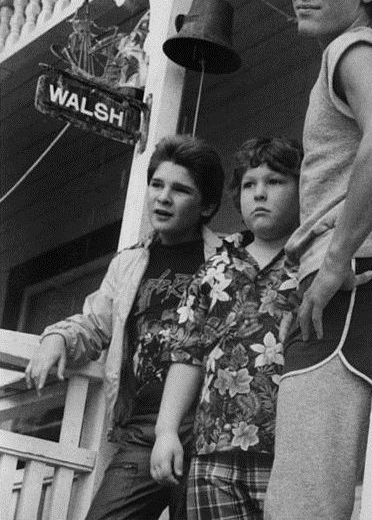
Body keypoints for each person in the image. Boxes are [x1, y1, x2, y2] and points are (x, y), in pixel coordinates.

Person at [264, 0, 372, 520]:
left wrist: (330, 263)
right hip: (350, 280)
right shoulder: (362, 54)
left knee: (301, 501)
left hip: (345, 282)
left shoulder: (351, 49)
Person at [25, 135, 225, 520]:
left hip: (207, 427)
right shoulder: (129, 263)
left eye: (180, 190)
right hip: (143, 429)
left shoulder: (225, 260)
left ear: (208, 206)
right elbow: (95, 323)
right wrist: (57, 337)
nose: (163, 198)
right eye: (157, 185)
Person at [149, 137, 303, 520]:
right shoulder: (216, 266)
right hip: (212, 452)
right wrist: (166, 431)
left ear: (305, 187)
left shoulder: (314, 261)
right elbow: (188, 353)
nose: (260, 193)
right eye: (250, 184)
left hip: (286, 450)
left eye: (276, 182)